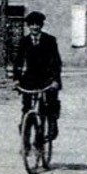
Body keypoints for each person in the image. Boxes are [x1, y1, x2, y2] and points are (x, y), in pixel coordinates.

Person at [12, 11, 62, 142]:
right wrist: (16, 79)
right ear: (28, 26)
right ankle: (25, 136)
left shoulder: (50, 40)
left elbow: (56, 61)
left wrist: (55, 80)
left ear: (41, 25)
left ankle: (52, 125)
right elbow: (18, 61)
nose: (35, 27)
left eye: (37, 24)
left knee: (50, 103)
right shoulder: (24, 41)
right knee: (26, 107)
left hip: (47, 77)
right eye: (32, 25)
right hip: (30, 78)